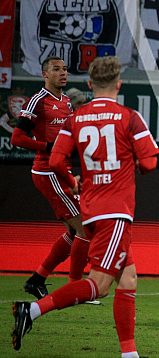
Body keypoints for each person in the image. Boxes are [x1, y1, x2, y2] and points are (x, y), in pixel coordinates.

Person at [11, 56, 159, 357]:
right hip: (114, 210)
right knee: (100, 285)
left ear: (90, 85)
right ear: (119, 84)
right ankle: (33, 310)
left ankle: (129, 354)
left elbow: (55, 160)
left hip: (91, 206)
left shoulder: (74, 118)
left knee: (128, 277)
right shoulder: (130, 117)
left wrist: (72, 180)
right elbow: (149, 163)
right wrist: (132, 162)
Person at [10, 57, 90, 299]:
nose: (63, 74)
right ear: (45, 74)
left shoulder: (66, 102)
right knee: (85, 228)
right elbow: (16, 138)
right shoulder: (37, 101)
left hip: (61, 171)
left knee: (74, 232)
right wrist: (47, 146)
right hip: (47, 171)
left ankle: (38, 279)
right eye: (56, 70)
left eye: (65, 69)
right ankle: (75, 288)